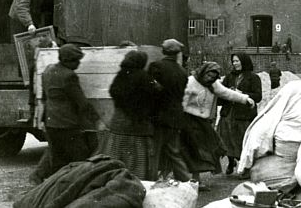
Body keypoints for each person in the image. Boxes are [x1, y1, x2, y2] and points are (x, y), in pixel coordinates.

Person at [181, 62, 255, 191]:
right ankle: (186, 181)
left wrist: (244, 99)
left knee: (207, 149)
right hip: (188, 120)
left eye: (214, 76)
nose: (210, 78)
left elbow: (226, 93)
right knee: (191, 150)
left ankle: (195, 181)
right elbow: (181, 101)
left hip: (202, 121)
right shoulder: (190, 82)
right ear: (203, 72)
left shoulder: (213, 84)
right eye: (209, 75)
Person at [39, 44, 102, 181]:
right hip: (66, 123)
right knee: (79, 157)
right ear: (67, 60)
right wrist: (98, 120)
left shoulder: (48, 70)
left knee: (57, 159)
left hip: (51, 121)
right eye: (76, 61)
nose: (78, 64)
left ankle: (55, 186)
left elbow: (44, 96)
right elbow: (82, 102)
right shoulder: (69, 76)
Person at [99, 50, 158, 180]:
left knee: (116, 156)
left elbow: (113, 91)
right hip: (138, 126)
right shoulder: (144, 77)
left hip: (119, 123)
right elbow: (154, 97)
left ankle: (114, 179)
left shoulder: (120, 75)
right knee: (137, 161)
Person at [148, 39, 191, 182]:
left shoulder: (156, 67)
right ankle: (185, 180)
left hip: (159, 116)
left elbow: (151, 92)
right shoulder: (182, 71)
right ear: (177, 53)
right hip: (176, 116)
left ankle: (151, 181)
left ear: (163, 51)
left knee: (154, 151)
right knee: (174, 151)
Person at [218, 52, 262, 178]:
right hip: (228, 114)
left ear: (244, 61)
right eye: (233, 61)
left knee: (241, 141)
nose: (234, 63)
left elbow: (258, 96)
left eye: (237, 61)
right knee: (226, 139)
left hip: (243, 116)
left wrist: (241, 93)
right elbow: (221, 92)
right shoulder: (229, 77)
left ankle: (245, 167)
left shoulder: (253, 78)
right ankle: (231, 162)